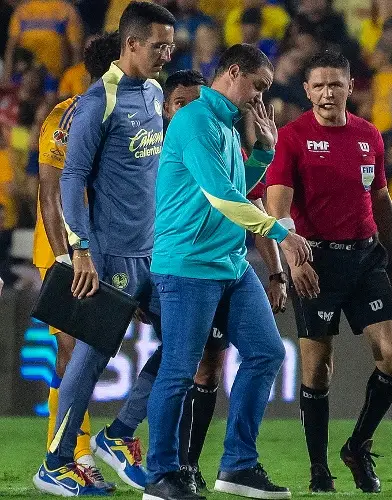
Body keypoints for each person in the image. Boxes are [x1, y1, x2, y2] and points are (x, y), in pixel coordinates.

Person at [146, 44, 311, 500]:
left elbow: (240, 188)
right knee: (180, 368)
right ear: (232, 72)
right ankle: (159, 475)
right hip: (188, 267)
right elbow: (222, 197)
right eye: (257, 87)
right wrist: (281, 234)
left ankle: (237, 465)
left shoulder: (225, 125)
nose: (260, 100)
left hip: (229, 265)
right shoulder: (196, 120)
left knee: (266, 354)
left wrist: (263, 152)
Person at [34, 3, 176, 497]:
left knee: (189, 339)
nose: (167, 53)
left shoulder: (156, 93)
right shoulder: (100, 102)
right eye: (158, 44)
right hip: (109, 255)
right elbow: (70, 179)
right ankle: (56, 462)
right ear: (131, 44)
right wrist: (80, 251)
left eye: (170, 44)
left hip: (154, 252)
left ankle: (119, 435)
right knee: (91, 358)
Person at [266, 50, 392, 494]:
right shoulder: (292, 137)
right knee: (317, 371)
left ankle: (358, 445)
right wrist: (294, 261)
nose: (328, 92)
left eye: (336, 84)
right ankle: (318, 469)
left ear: (351, 87)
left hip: (366, 257)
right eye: (319, 85)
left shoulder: (369, 135)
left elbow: (381, 200)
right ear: (307, 91)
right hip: (315, 260)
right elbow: (277, 206)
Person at [32, 31, 121, 494]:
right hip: (69, 253)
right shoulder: (67, 116)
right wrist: (67, 259)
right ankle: (69, 456)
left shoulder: (123, 112)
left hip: (109, 248)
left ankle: (75, 452)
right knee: (72, 348)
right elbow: (50, 194)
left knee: (88, 351)